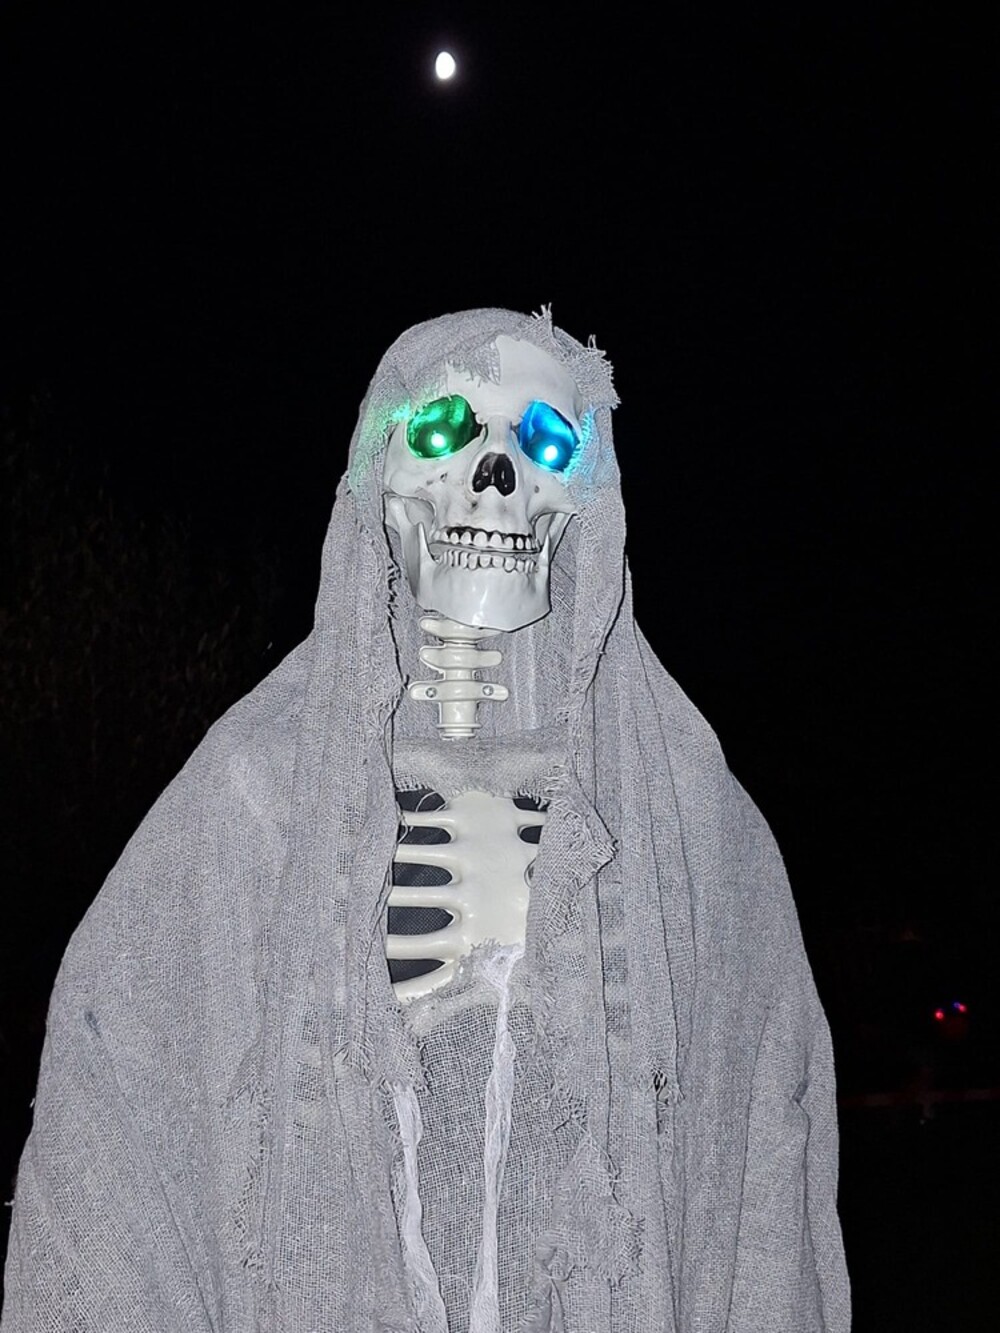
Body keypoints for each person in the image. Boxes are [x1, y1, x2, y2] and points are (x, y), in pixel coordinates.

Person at [2, 308, 849, 1331]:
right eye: (444, 430)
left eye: (545, 444)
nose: (495, 475)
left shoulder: (681, 804)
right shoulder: (254, 793)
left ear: (591, 497)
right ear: (375, 476)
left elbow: (764, 1147)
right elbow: (115, 1099)